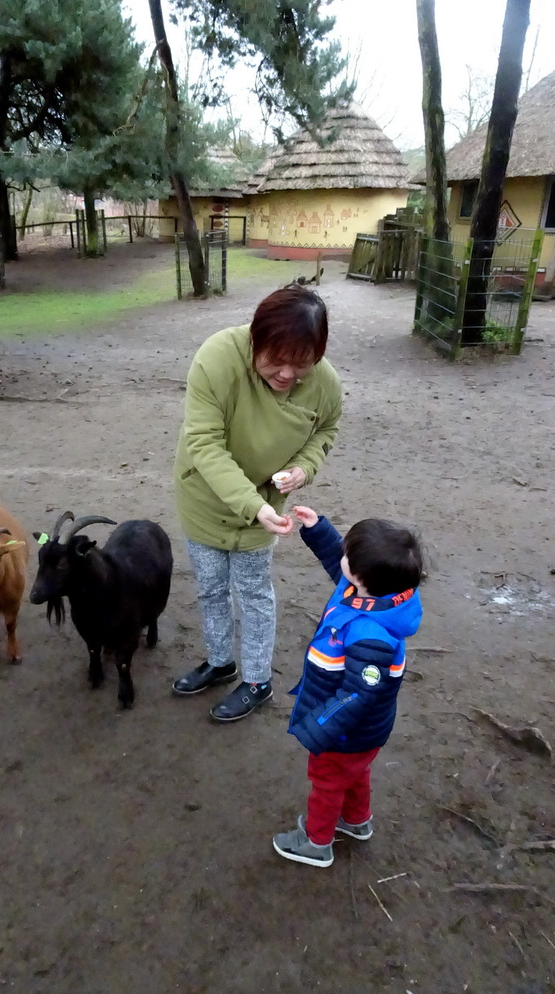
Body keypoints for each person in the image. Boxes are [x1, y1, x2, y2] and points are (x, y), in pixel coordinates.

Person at [172, 284, 343, 723]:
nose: (288, 374)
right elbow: (204, 444)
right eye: (276, 360)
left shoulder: (324, 384)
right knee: (210, 586)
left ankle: (256, 680)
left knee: (252, 594)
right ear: (255, 338)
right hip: (207, 498)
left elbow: (326, 431)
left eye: (301, 364)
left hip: (266, 511)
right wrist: (252, 503)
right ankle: (219, 661)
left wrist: (305, 467)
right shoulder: (216, 359)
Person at [272, 507, 424, 868]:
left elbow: (358, 694)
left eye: (347, 555)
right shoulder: (379, 593)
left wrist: (320, 726)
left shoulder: (369, 636)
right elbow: (338, 566)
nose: (341, 556)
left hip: (344, 732)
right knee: (356, 773)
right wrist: (318, 530)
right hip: (361, 737)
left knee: (326, 782)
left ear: (361, 577)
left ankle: (316, 841)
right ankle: (356, 821)